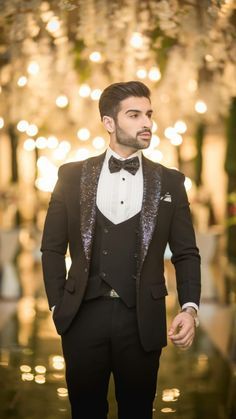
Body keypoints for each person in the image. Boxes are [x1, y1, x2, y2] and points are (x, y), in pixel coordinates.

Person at [41, 81, 201, 419]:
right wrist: (58, 304)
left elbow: (186, 252)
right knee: (85, 412)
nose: (147, 123)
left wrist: (189, 308)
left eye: (149, 114)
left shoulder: (170, 182)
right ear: (109, 123)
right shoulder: (71, 176)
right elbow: (52, 248)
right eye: (134, 114)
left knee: (138, 412)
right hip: (82, 318)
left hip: (142, 320)